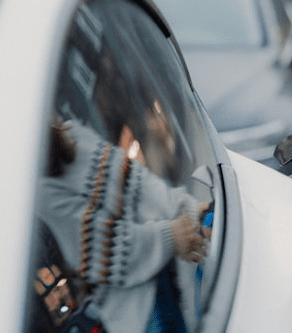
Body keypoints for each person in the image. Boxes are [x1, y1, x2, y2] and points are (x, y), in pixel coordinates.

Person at [38, 119, 209, 333]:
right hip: (143, 315)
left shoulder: (75, 133)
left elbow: (140, 185)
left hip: (176, 274)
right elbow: (106, 248)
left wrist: (190, 209)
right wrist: (172, 236)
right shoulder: (41, 194)